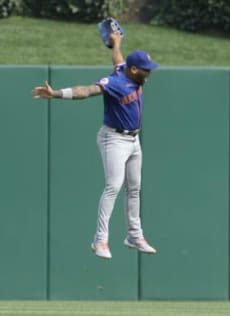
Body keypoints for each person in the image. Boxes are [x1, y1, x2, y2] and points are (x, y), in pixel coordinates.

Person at [32, 32, 158, 259]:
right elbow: (86, 91)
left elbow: (118, 58)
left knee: (134, 188)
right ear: (134, 70)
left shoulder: (125, 70)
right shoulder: (116, 82)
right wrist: (56, 94)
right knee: (113, 186)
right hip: (114, 139)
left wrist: (116, 42)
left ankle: (134, 235)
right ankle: (100, 240)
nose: (150, 72)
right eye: (146, 69)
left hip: (133, 140)